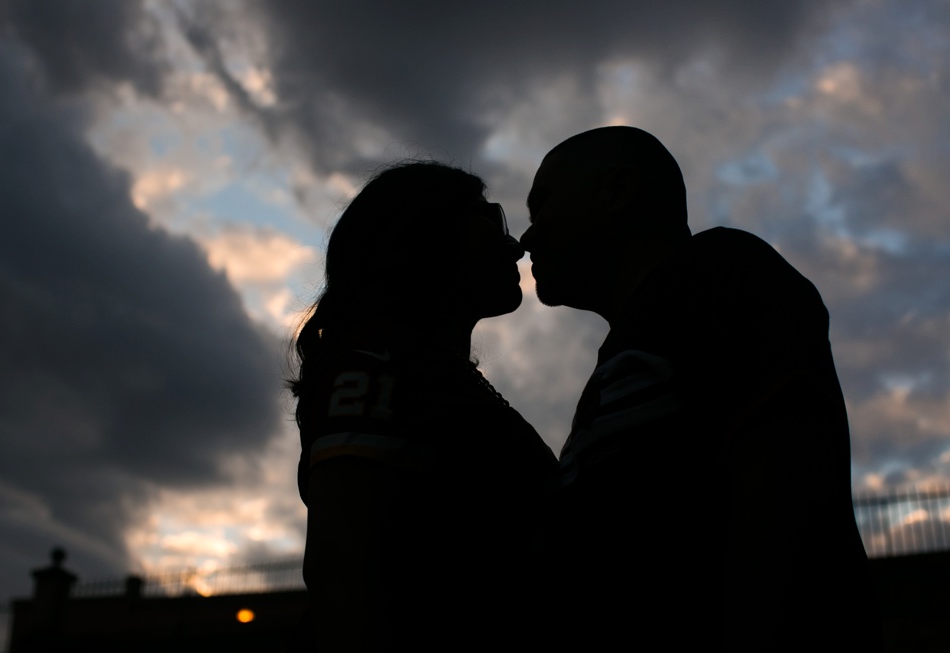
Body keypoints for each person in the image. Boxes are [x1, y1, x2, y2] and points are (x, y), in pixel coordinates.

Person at [520, 127, 879, 650]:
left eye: (542, 205)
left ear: (617, 191)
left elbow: (785, 488)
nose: (527, 238)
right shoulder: (628, 349)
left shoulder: (720, 270)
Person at [289, 161, 559, 651]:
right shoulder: (376, 364)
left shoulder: (420, 371)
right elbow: (347, 573)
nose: (515, 244)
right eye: (489, 220)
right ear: (423, 236)